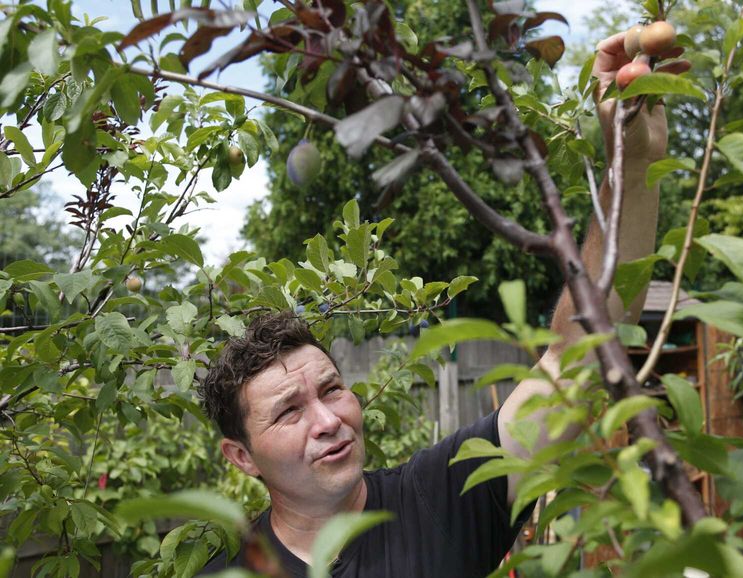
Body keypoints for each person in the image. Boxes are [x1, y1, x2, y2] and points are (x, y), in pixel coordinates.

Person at [199, 32, 690, 577]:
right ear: (241, 457)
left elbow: (576, 362)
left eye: (333, 389)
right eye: (289, 411)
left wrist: (633, 162)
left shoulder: (441, 499)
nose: (328, 420)